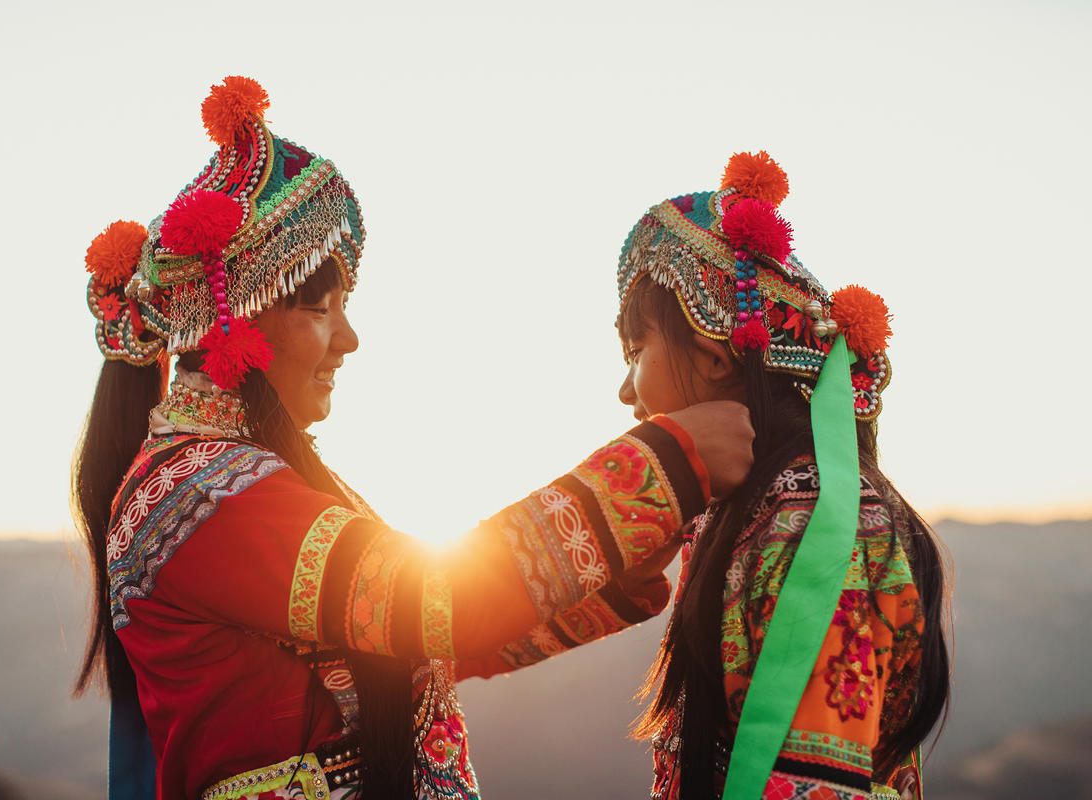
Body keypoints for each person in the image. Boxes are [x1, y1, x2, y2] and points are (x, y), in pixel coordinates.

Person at [72, 76, 755, 800]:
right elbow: (425, 602)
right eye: (321, 306)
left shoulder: (247, 477)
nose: (349, 339)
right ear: (236, 316)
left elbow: (414, 650)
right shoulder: (196, 495)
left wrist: (610, 583)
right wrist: (661, 467)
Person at [615, 152, 949, 800]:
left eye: (635, 351)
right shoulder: (761, 513)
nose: (625, 388)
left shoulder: (819, 534)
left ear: (713, 354)